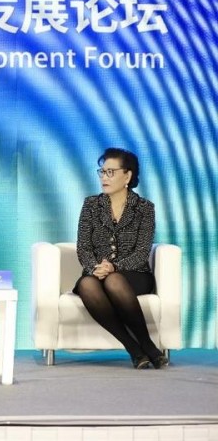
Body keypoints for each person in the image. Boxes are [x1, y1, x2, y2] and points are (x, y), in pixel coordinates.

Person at [75, 147, 168, 369]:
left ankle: (147, 344)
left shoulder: (144, 208)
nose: (104, 177)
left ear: (127, 176)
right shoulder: (91, 205)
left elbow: (142, 252)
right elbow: (83, 247)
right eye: (102, 172)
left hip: (134, 274)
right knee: (87, 285)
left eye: (111, 172)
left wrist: (114, 267)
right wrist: (95, 267)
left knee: (114, 280)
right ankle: (134, 348)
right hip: (97, 272)